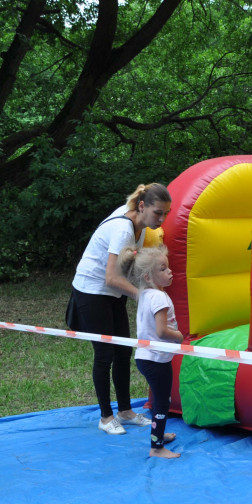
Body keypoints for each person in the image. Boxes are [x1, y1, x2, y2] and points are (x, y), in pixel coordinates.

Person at [66, 183, 171, 435]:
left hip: (113, 293)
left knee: (124, 352)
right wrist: (144, 296)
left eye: (165, 213)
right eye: (158, 213)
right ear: (142, 206)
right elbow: (111, 277)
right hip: (92, 292)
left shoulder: (138, 220)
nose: (162, 219)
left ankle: (125, 411)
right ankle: (105, 417)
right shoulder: (124, 228)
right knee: (104, 355)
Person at [120, 245, 182, 459]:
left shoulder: (145, 294)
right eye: (163, 269)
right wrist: (179, 336)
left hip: (145, 358)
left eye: (168, 267)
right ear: (148, 276)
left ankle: (160, 434)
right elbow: (162, 331)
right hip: (156, 360)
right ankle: (156, 447)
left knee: (159, 399)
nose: (169, 272)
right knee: (163, 402)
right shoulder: (160, 298)